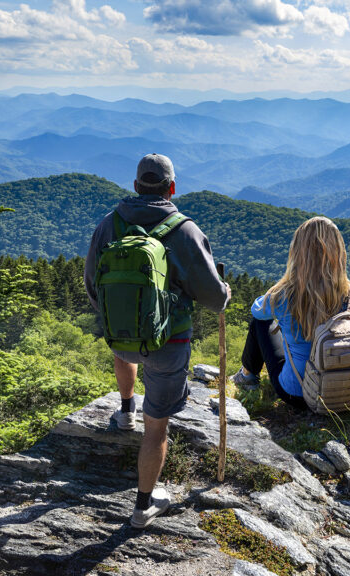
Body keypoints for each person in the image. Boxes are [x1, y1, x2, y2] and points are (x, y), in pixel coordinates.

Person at [84, 153, 229, 528]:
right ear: (172, 187)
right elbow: (214, 299)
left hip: (120, 338)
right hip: (169, 344)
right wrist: (225, 290)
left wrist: (118, 316)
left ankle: (125, 409)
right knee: (158, 427)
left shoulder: (109, 225)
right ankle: (143, 506)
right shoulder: (185, 231)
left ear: (135, 186)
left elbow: (92, 284)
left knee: (126, 347)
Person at [231, 216, 350, 409]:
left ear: (298, 252)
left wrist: (278, 287)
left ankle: (247, 376)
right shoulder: (349, 293)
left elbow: (257, 311)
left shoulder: (286, 294)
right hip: (338, 393)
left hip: (296, 393)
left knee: (260, 323)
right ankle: (247, 375)